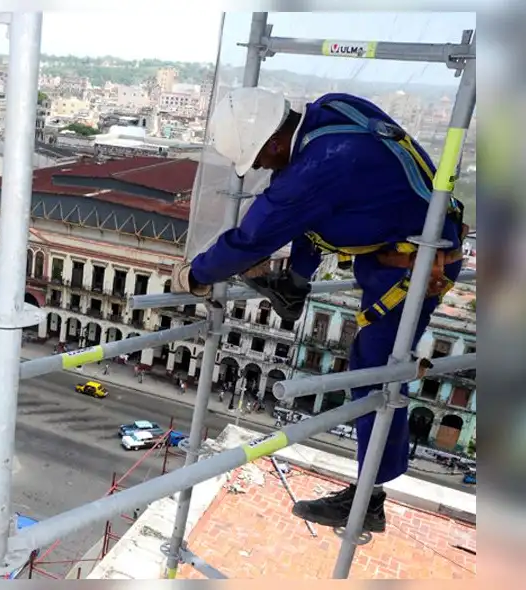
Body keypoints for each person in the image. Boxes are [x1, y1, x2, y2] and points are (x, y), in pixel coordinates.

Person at [172, 88, 466, 534]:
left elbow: (255, 236)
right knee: (314, 215)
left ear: (272, 142)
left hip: (414, 265)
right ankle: (293, 284)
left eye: (259, 160)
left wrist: (196, 276)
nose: (261, 169)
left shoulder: (318, 167)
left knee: (376, 372)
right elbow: (318, 205)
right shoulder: (335, 108)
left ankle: (369, 499)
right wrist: (296, 274)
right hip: (398, 245)